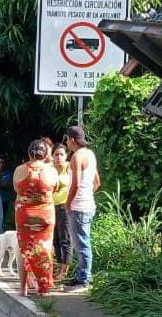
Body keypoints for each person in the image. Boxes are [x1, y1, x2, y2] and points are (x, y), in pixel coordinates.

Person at [14, 139, 59, 296]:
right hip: (45, 214)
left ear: (29, 153)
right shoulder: (52, 171)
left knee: (24, 250)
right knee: (45, 249)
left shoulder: (19, 170)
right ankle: (43, 288)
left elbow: (16, 189)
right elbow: (55, 188)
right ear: (46, 154)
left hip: (24, 215)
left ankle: (23, 288)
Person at [64, 125, 100, 291]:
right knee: (82, 242)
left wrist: (69, 202)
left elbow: (76, 183)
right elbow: (97, 182)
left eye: (67, 140)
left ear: (72, 140)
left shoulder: (76, 157)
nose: (66, 143)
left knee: (82, 244)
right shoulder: (90, 154)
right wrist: (87, 195)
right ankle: (80, 275)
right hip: (88, 204)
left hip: (78, 207)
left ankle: (85, 278)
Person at [51, 144, 73, 283]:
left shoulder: (70, 168)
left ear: (66, 155)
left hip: (65, 207)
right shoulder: (50, 170)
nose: (59, 157)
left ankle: (65, 271)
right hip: (51, 207)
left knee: (65, 238)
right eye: (56, 154)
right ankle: (59, 267)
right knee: (55, 239)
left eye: (61, 154)